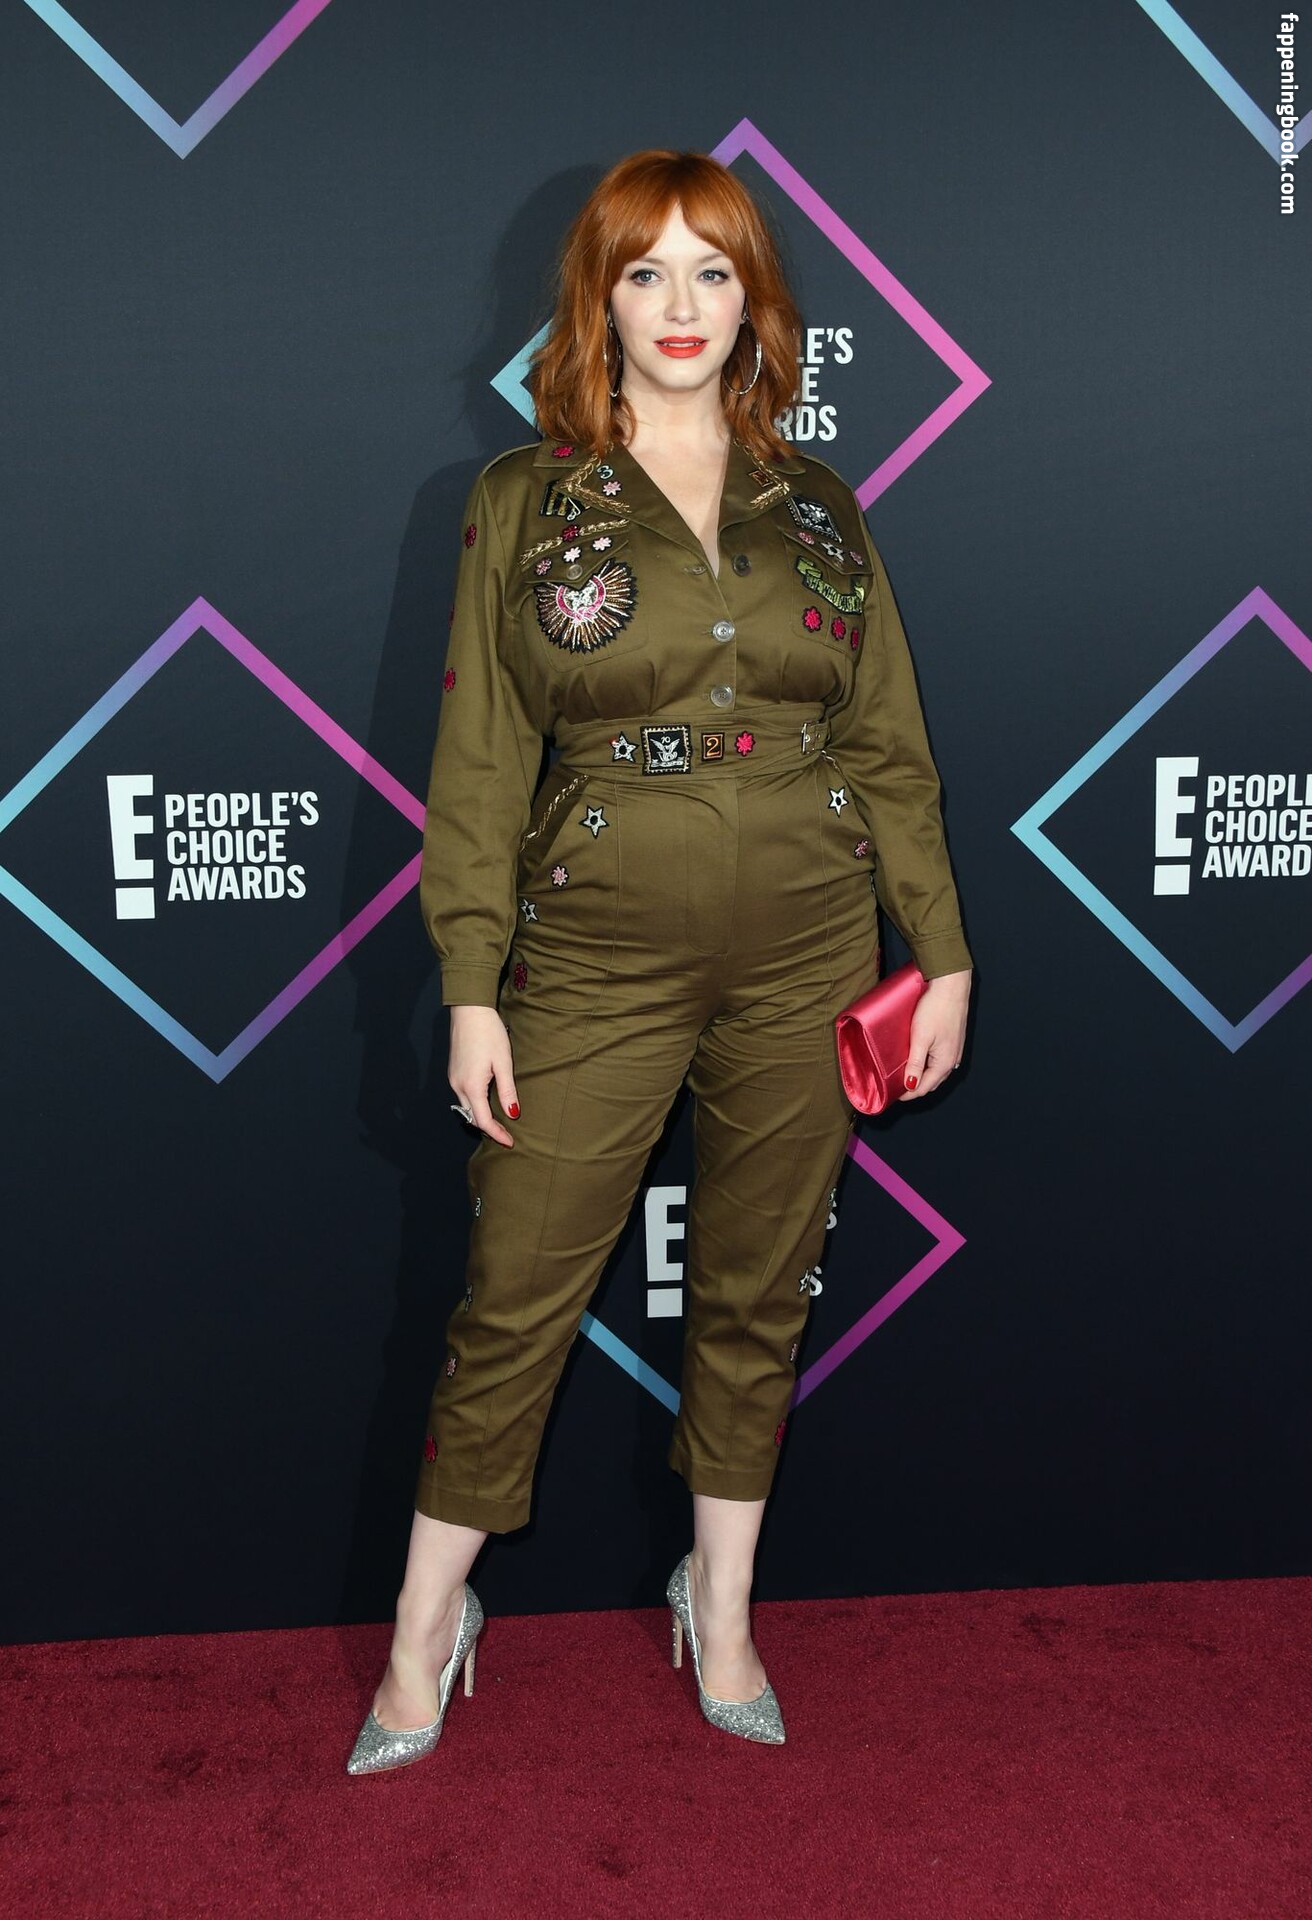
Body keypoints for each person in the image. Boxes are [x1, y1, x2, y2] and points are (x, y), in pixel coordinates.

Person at [347, 149, 972, 1773]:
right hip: (591, 957)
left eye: (713, 271)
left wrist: (944, 955)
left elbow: (889, 747)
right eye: (646, 272)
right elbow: (481, 767)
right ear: (598, 300)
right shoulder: (519, 500)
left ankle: (726, 1604)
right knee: (514, 1294)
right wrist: (470, 984)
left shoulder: (818, 508)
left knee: (759, 1291)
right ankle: (425, 1629)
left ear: (754, 302)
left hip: (813, 953)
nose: (680, 305)